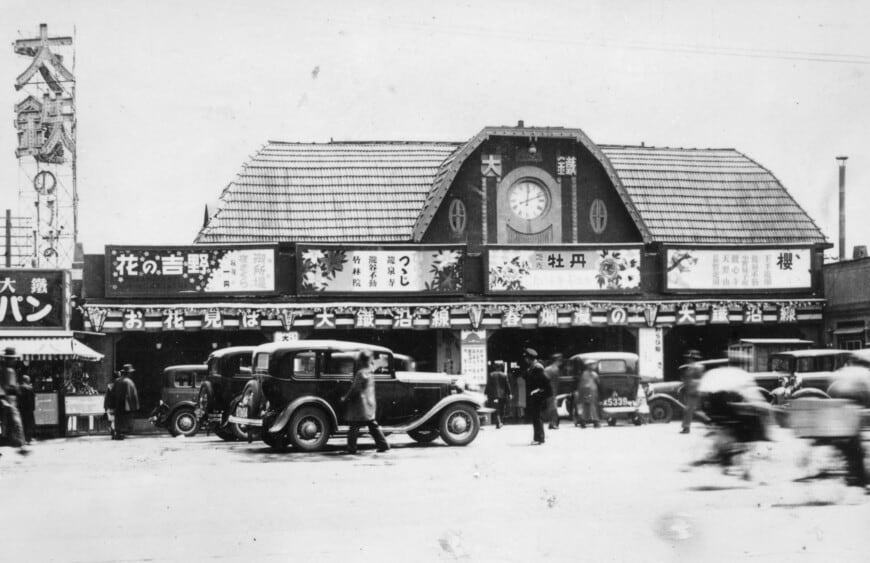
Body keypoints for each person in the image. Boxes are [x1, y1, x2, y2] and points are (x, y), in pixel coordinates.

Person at [341, 350, 390, 454]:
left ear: (361, 361)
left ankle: (351, 448)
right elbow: (383, 361)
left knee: (354, 427)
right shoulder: (371, 369)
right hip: (370, 403)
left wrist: (345, 397)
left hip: (359, 404)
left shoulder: (360, 373)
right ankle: (383, 445)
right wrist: (374, 361)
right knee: (373, 425)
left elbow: (355, 389)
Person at [522, 348, 550, 445]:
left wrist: (538, 390)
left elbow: (545, 382)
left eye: (526, 358)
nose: (525, 360)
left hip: (538, 396)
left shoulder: (538, 368)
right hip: (534, 396)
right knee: (535, 417)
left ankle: (540, 438)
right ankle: (537, 438)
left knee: (538, 418)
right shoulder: (532, 368)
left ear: (530, 358)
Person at [112, 364, 140, 440]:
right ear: (128, 373)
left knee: (119, 420)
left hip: (118, 405)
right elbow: (133, 395)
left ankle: (118, 432)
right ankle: (122, 433)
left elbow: (113, 393)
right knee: (126, 420)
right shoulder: (129, 382)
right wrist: (134, 406)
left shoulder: (117, 381)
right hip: (126, 406)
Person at [573, 357, 601, 428]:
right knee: (593, 406)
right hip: (592, 391)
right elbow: (598, 382)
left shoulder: (583, 374)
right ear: (589, 365)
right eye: (593, 365)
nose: (594, 366)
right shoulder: (593, 374)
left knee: (585, 406)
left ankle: (583, 420)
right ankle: (595, 421)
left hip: (583, 391)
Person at [680, 350, 704, 434]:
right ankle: (686, 427)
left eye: (689, 358)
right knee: (689, 410)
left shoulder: (698, 367)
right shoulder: (691, 367)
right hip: (690, 390)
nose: (688, 359)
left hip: (694, 391)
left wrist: (693, 387)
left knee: (689, 410)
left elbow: (698, 379)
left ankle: (686, 427)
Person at [485, 361, 512, 429]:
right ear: (501, 367)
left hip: (494, 395)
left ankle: (498, 422)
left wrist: (485, 393)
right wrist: (510, 393)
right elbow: (507, 385)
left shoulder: (491, 374)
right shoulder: (504, 375)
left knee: (496, 409)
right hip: (503, 395)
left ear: (495, 367)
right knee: (502, 408)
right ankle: (500, 422)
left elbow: (488, 385)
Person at [544, 354, 564, 429]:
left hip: (549, 391)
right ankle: (553, 423)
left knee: (551, 407)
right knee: (553, 408)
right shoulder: (554, 369)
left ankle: (552, 423)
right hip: (551, 391)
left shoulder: (547, 369)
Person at [18, 374, 35, 444]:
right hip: (28, 409)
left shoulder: (19, 388)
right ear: (27, 380)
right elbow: (32, 400)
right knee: (29, 424)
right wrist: (33, 408)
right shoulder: (29, 388)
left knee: (23, 424)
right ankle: (29, 439)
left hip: (21, 409)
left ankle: (23, 439)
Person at [104, 371, 120, 439]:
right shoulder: (120, 385)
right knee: (117, 420)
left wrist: (105, 406)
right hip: (118, 405)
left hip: (111, 405)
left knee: (113, 420)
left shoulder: (110, 386)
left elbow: (107, 397)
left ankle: (113, 432)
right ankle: (116, 432)